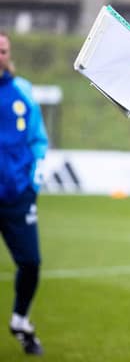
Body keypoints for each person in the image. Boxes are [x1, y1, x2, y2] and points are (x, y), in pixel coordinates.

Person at [0, 31, 48, 356]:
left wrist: (33, 185)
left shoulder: (23, 92)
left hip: (17, 196)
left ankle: (20, 319)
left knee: (30, 263)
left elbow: (38, 142)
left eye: (2, 50)